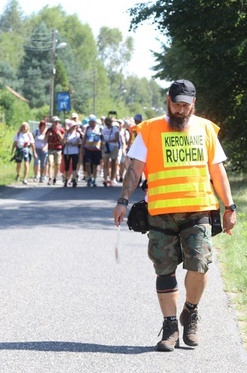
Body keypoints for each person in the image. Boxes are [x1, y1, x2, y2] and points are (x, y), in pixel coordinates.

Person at [112, 80, 237, 352]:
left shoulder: (205, 128)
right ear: (168, 101)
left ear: (194, 104)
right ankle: (170, 326)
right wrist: (123, 200)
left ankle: (190, 312)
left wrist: (230, 207)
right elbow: (135, 169)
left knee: (200, 264)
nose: (180, 110)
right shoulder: (150, 130)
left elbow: (218, 171)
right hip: (161, 213)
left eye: (185, 105)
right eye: (176, 104)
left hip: (198, 210)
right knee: (164, 269)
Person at [82, 115, 102, 187]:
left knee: (95, 165)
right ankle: (89, 177)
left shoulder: (99, 128)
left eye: (93, 122)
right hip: (88, 148)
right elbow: (84, 138)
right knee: (87, 163)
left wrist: (102, 148)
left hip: (96, 149)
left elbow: (102, 138)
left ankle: (95, 179)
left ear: (95, 122)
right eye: (90, 122)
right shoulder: (87, 128)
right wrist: (82, 148)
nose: (91, 123)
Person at [101, 116, 121, 187]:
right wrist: (102, 145)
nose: (108, 125)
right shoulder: (104, 129)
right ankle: (105, 179)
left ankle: (112, 179)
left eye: (109, 124)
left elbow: (116, 139)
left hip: (113, 146)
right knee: (105, 163)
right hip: (106, 147)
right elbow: (102, 138)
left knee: (113, 163)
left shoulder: (115, 129)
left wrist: (108, 140)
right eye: (106, 124)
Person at [62, 121, 82, 187]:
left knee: (74, 166)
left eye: (75, 126)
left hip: (74, 152)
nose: (74, 127)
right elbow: (63, 143)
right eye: (73, 126)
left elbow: (78, 143)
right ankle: (66, 179)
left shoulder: (77, 134)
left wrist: (71, 143)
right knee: (67, 166)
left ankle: (74, 179)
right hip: (67, 152)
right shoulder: (66, 134)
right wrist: (65, 141)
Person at [45, 116, 65, 185]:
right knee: (50, 163)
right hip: (50, 148)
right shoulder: (49, 130)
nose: (56, 123)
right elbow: (45, 140)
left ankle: (55, 177)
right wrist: (47, 135)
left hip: (58, 149)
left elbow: (63, 141)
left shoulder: (61, 130)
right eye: (55, 122)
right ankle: (50, 178)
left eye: (57, 122)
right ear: (52, 122)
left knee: (57, 164)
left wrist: (60, 135)